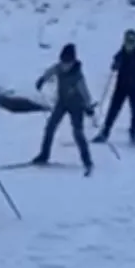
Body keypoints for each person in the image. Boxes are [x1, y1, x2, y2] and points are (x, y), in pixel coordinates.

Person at [32, 43, 95, 175]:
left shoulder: (78, 76)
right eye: (63, 62)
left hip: (77, 106)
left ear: (73, 62)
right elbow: (50, 71)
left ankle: (87, 160)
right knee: (50, 127)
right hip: (62, 103)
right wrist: (42, 80)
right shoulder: (58, 68)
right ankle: (44, 155)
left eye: (67, 63)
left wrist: (88, 107)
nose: (64, 66)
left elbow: (85, 93)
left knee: (78, 133)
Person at [93, 28, 135, 145]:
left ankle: (133, 133)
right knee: (113, 110)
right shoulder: (120, 54)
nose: (130, 44)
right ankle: (105, 133)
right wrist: (115, 65)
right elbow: (114, 66)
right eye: (128, 41)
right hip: (121, 87)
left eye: (132, 41)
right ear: (125, 41)